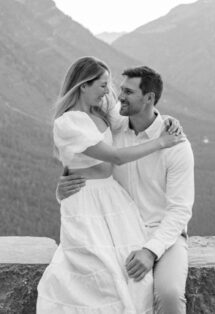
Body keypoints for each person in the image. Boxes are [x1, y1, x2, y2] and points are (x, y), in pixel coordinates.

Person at [37, 57, 186, 314]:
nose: (110, 91)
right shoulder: (68, 122)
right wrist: (161, 142)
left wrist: (167, 120)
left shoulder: (102, 111)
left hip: (113, 201)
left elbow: (138, 114)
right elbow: (114, 157)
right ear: (84, 85)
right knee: (99, 275)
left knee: (132, 276)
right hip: (86, 202)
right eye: (103, 85)